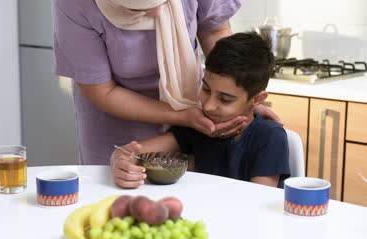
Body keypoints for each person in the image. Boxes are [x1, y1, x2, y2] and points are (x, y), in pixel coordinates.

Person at [53, 0, 282, 165]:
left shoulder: (264, 135)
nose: (155, 11)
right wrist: (184, 116)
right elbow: (103, 91)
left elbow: (214, 31)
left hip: (193, 112)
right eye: (137, 6)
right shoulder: (74, 5)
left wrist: (242, 98)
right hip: (116, 120)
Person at [110, 32, 291, 189]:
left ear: (257, 100)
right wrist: (120, 161)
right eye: (205, 89)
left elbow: (257, 203)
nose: (208, 105)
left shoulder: (270, 137)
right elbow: (129, 152)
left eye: (225, 99)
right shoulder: (199, 125)